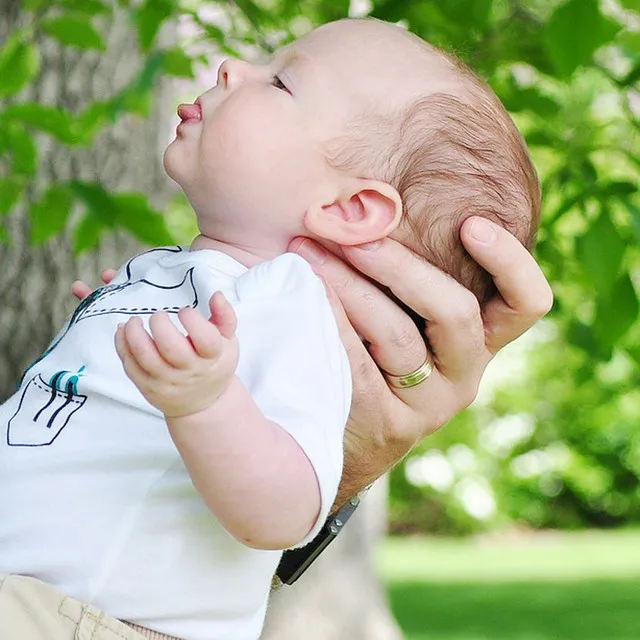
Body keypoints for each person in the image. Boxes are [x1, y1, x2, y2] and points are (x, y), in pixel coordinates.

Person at [0, 17, 552, 640]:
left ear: (351, 209)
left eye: (281, 82)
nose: (234, 68)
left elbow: (285, 512)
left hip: (79, 619)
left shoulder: (293, 310)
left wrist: (203, 401)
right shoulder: (179, 277)